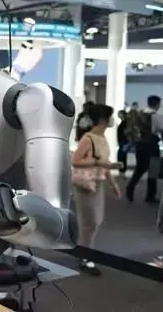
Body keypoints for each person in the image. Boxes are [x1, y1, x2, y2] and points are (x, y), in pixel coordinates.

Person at [71, 103, 122, 276]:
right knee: (89, 222)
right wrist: (98, 162)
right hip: (85, 184)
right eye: (110, 117)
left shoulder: (102, 138)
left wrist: (113, 184)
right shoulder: (88, 138)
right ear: (102, 119)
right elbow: (76, 161)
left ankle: (85, 253)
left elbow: (105, 164)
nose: (112, 120)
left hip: (97, 184)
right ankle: (84, 257)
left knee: (95, 222)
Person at [126, 95, 162, 203]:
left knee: (140, 168)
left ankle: (130, 186)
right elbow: (161, 131)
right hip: (152, 145)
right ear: (157, 104)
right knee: (153, 171)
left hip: (140, 145)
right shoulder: (157, 117)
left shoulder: (139, 114)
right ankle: (150, 196)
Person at [117, 110, 129, 175]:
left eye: (120, 114)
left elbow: (126, 133)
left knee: (122, 157)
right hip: (122, 142)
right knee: (122, 157)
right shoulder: (123, 122)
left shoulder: (126, 123)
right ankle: (122, 172)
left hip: (124, 142)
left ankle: (122, 172)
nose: (118, 115)